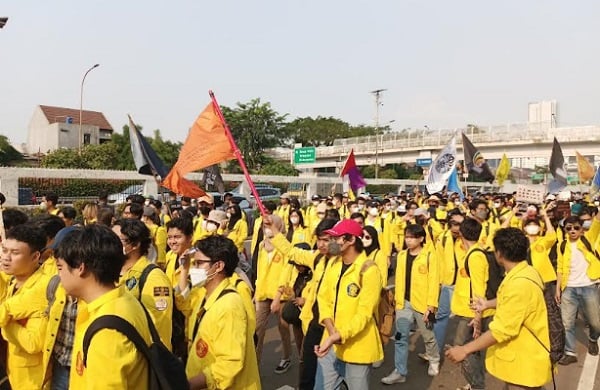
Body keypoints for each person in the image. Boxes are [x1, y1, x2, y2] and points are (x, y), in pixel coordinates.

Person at [446, 228, 552, 389]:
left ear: (500, 254)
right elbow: (513, 301)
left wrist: (464, 350)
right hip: (523, 361)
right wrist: (488, 304)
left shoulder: (518, 284)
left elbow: (501, 330)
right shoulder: (526, 272)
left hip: (523, 365)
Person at [54, 224, 153, 389]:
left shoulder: (107, 332)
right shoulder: (122, 299)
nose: (59, 276)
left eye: (60, 268)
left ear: (80, 267)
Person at [183, 235, 261, 389]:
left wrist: (189, 384)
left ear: (218, 266)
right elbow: (183, 303)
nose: (194, 269)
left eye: (199, 263)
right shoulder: (205, 294)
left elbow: (229, 363)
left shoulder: (229, 305)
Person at [314, 219, 383, 390]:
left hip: (357, 346)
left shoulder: (369, 270)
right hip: (330, 343)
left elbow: (364, 314)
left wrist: (338, 335)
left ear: (351, 240)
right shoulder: (333, 263)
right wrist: (330, 330)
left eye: (337, 238)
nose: (332, 242)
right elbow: (323, 298)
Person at [381, 224, 440, 385]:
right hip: (403, 302)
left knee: (427, 335)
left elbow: (434, 282)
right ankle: (400, 371)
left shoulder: (429, 256)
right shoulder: (401, 256)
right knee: (401, 336)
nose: (408, 240)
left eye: (412, 237)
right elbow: (399, 278)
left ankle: (434, 359)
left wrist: (431, 306)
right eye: (407, 236)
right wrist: (396, 300)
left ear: (421, 238)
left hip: (423, 304)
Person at [0, 224, 50, 388]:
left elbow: (33, 342)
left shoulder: (42, 287)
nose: (6, 257)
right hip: (13, 371)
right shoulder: (13, 279)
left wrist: (6, 324)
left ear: (35, 257)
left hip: (33, 380)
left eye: (15, 253)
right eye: (4, 250)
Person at [113, 219, 173, 349]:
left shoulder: (154, 278)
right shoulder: (112, 271)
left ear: (135, 245)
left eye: (118, 240)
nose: (111, 244)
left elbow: (158, 327)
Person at [450, 217, 495, 390]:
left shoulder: (475, 256)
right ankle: (475, 383)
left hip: (472, 312)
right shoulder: (473, 252)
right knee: (472, 350)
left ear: (461, 233)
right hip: (468, 310)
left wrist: (477, 319)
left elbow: (479, 290)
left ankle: (477, 385)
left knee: (463, 349)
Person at [555, 214, 600, 364]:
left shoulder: (589, 238)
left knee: (596, 323)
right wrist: (558, 289)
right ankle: (570, 352)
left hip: (589, 286)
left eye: (576, 227)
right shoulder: (562, 245)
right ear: (565, 230)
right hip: (569, 288)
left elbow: (597, 221)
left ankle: (593, 339)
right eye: (569, 228)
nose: (572, 230)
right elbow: (560, 268)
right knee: (567, 323)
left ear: (582, 229)